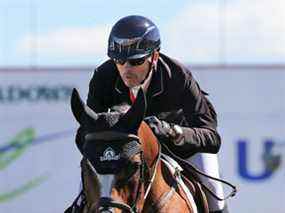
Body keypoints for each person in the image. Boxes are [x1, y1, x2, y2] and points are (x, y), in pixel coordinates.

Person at [72, 15, 228, 213]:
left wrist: (171, 131)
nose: (126, 70)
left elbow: (211, 138)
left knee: (216, 198)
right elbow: (84, 136)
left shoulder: (178, 76)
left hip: (181, 148)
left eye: (135, 61)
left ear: (154, 57)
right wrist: (107, 142)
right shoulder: (103, 77)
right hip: (126, 153)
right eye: (119, 61)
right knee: (85, 189)